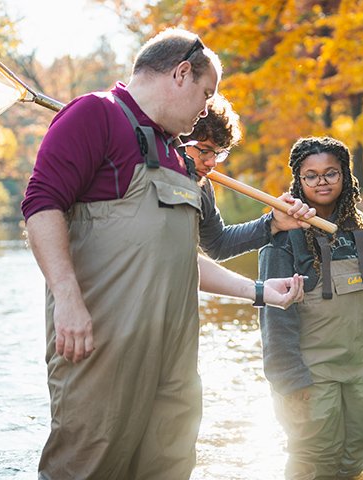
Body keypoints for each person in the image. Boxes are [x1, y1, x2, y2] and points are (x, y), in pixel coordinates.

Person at [21, 28, 307, 479]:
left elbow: (179, 256)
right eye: (205, 93)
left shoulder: (176, 155)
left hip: (174, 353)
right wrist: (68, 300)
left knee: (169, 465)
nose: (204, 109)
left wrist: (272, 230)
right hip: (104, 345)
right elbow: (41, 204)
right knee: (89, 463)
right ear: (180, 74)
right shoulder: (96, 114)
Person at [257, 136, 363, 479]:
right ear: (298, 179)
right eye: (311, 175)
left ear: (345, 176)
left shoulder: (362, 229)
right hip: (310, 377)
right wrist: (290, 380)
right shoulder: (281, 236)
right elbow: (273, 317)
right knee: (314, 462)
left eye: (331, 173)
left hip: (360, 373)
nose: (321, 182)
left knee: (356, 461)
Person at [182, 93, 309, 260]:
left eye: (218, 154)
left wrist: (273, 223)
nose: (212, 163)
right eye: (205, 151)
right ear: (179, 139)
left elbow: (218, 245)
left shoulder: (202, 186)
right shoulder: (147, 174)